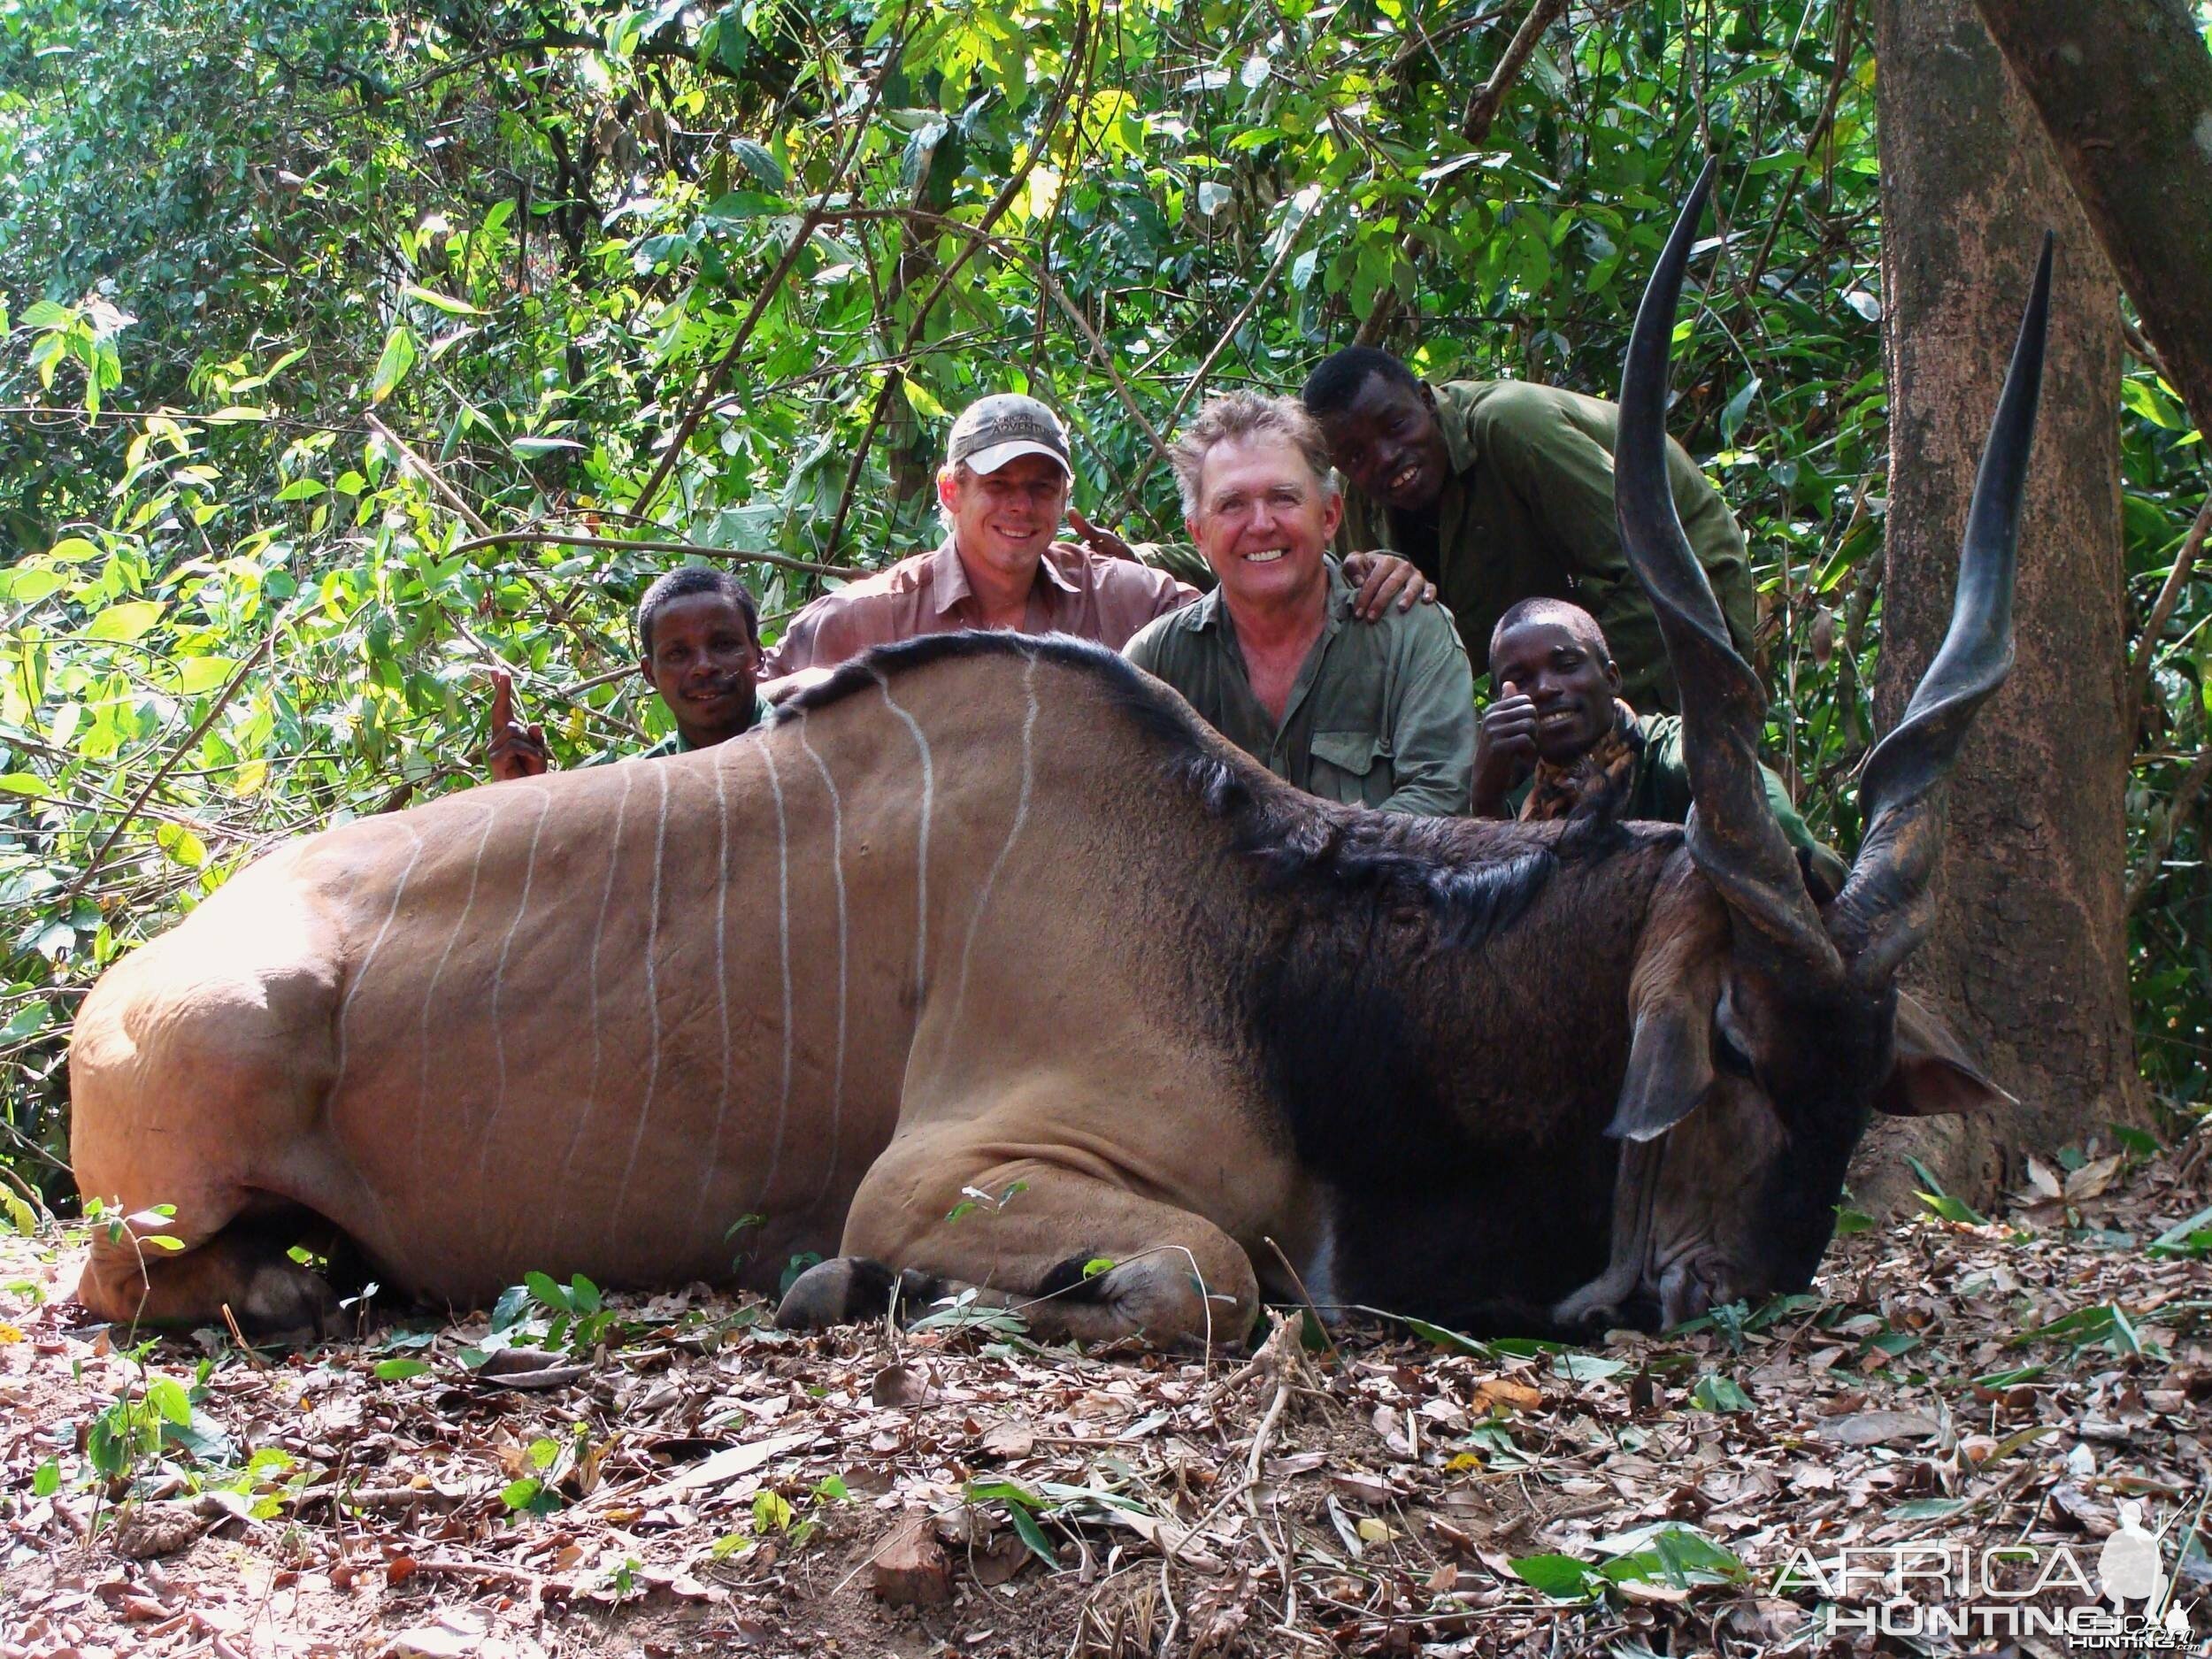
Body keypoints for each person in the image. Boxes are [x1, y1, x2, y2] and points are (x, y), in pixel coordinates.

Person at [761, 393, 1432, 689]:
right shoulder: (867, 617)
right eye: (999, 486)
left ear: (1065, 495)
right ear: (949, 492)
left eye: (1041, 486)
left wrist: (1360, 572)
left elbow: (1253, 610)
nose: (1021, 507)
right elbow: (746, 697)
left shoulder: (1125, 599)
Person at [1300, 346, 1756, 713]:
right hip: (1564, 640)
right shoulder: (1356, 498)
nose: (1385, 457)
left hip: (1688, 602)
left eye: (1397, 426)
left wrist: (1553, 697)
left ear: (1425, 399)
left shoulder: (1511, 424)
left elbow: (1653, 574)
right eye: (1357, 456)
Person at [1124, 393, 1476, 818]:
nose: (1261, 524)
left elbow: (1441, 803)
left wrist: (1285, 874)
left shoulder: (1410, 633)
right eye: (1232, 504)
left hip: (1381, 886)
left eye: (1284, 498)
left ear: (1329, 516)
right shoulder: (1154, 662)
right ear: (1198, 534)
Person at [1475, 596, 1846, 890]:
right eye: (1520, 680)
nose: (1545, 689)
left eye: (1567, 664)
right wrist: (1485, 796)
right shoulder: (1520, 793)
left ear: (1612, 679)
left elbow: (1806, 860)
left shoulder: (1678, 755)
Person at [486, 566, 771, 780]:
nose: (703, 666)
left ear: (758, 654)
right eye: (677, 654)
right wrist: (524, 792)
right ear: (650, 674)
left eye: (723, 645)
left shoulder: (810, 744)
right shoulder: (630, 784)